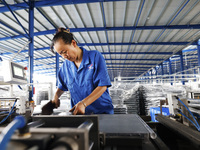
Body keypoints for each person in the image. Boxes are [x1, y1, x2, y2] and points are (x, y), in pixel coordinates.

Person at [51, 27, 114, 115]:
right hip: (79, 113)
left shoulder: (94, 57)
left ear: (73, 43)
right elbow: (62, 86)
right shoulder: (65, 66)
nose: (64, 56)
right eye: (61, 54)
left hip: (101, 112)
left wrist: (84, 104)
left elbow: (102, 86)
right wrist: (56, 96)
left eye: (65, 52)